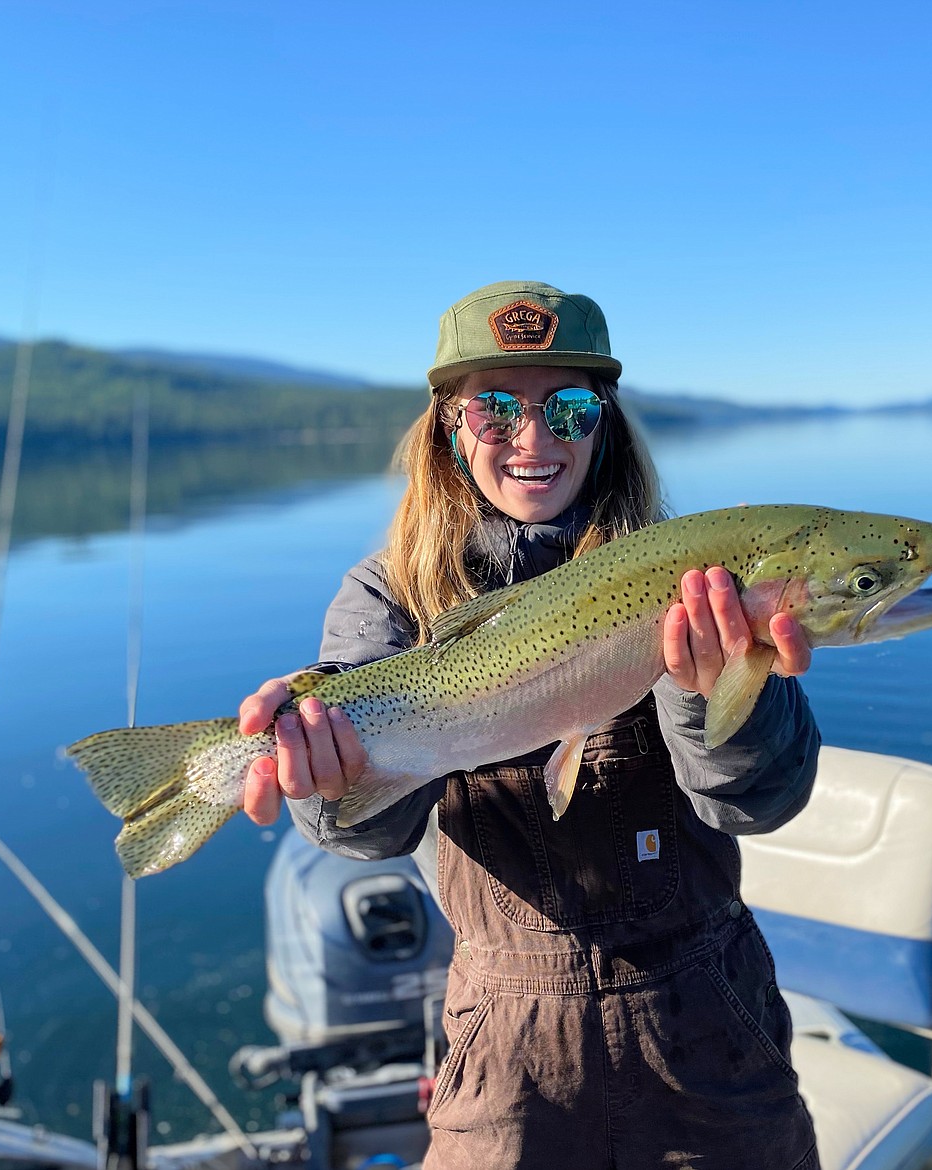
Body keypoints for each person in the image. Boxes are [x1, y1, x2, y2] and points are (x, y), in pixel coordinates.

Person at [238, 281, 821, 1170]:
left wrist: (713, 695)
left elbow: (759, 802)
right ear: (447, 422)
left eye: (571, 407)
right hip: (507, 1058)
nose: (534, 440)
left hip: (710, 1033)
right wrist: (327, 785)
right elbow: (371, 831)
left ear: (607, 422)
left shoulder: (696, 573)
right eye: (496, 407)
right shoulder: (388, 595)